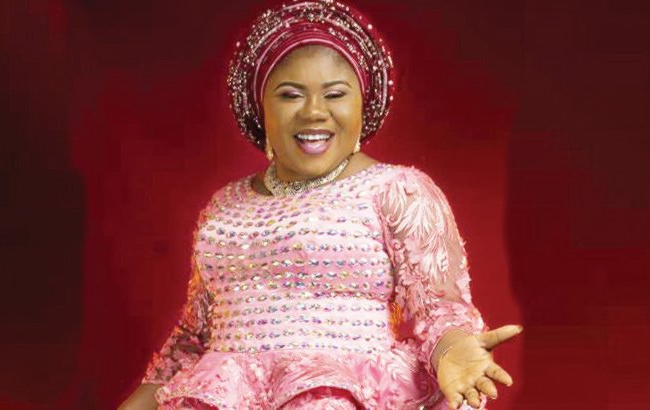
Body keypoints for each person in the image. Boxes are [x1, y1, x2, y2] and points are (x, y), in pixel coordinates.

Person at [119, 1, 521, 409]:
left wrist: (454, 351)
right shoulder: (224, 206)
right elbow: (193, 338)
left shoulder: (399, 191)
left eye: (335, 94)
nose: (314, 112)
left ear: (362, 104)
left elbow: (439, 311)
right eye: (290, 95)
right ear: (262, 108)